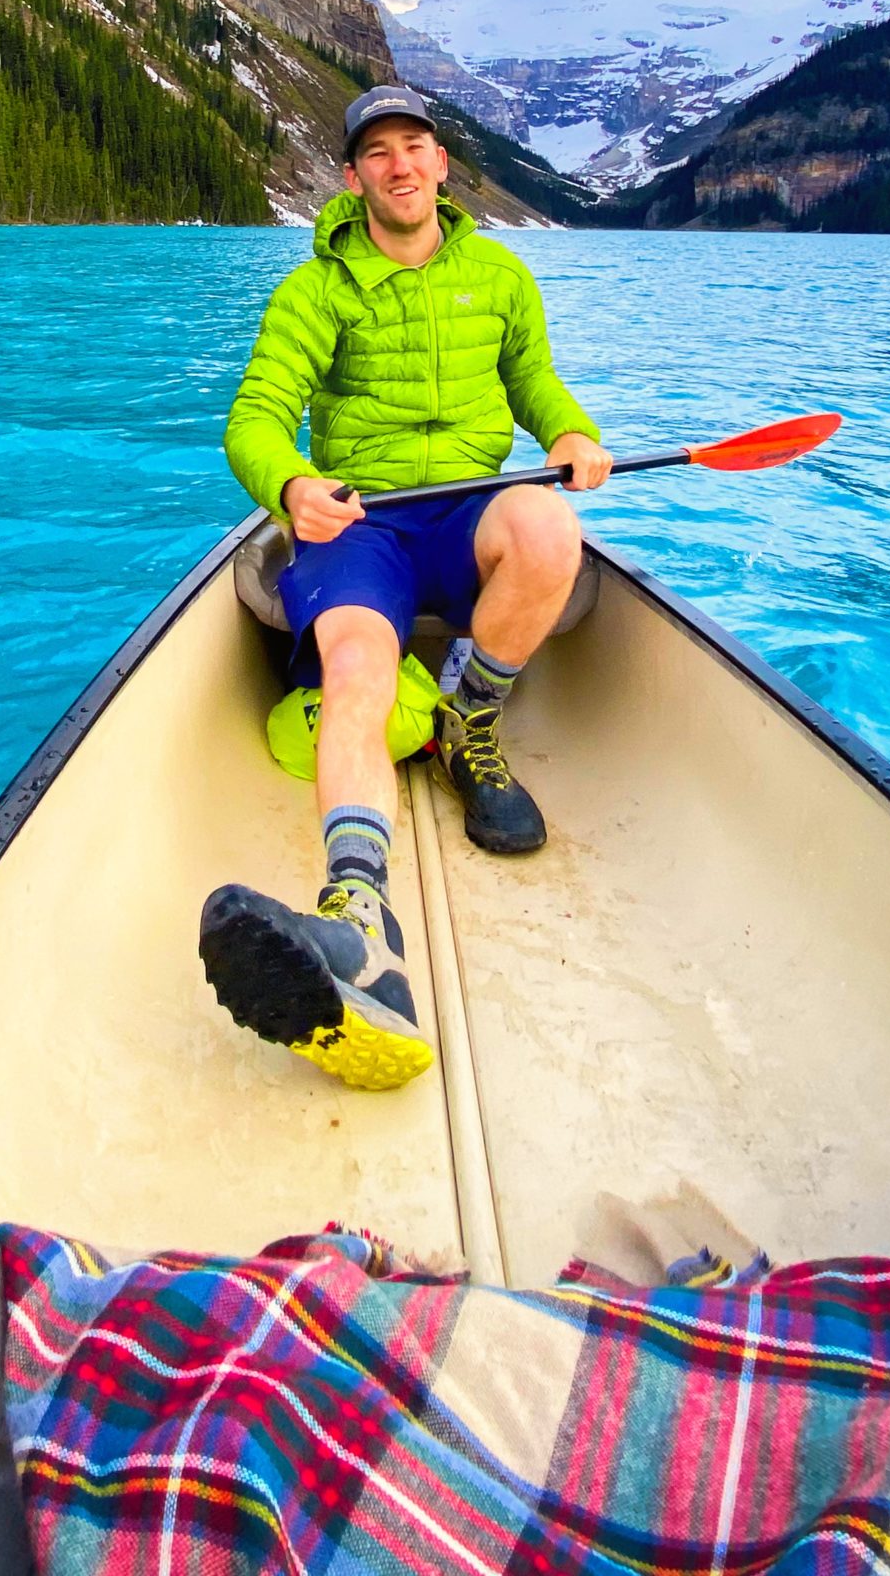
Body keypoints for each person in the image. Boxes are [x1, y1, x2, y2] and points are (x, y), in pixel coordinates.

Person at [199, 83, 612, 1092]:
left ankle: (471, 719)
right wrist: (292, 483)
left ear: (442, 163)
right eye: (376, 151)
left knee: (552, 527)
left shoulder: (502, 273)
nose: (399, 164)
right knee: (354, 669)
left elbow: (536, 384)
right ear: (353, 176)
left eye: (414, 145)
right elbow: (253, 417)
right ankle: (357, 914)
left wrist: (569, 431)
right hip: (365, 522)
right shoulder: (317, 289)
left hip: (472, 509)